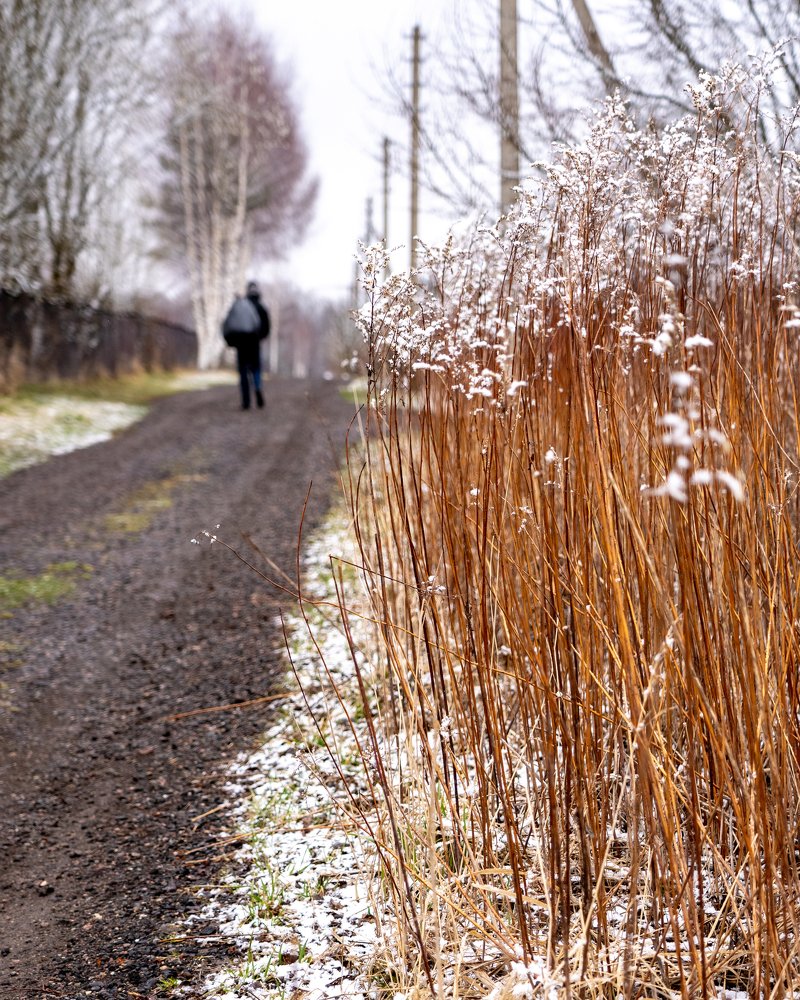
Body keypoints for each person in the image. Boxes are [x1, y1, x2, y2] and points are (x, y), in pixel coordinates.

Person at [222, 281, 271, 410]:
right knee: (256, 368)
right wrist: (260, 336)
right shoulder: (261, 307)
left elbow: (229, 323)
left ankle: (246, 401)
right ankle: (258, 388)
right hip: (254, 342)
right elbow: (266, 327)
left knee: (243, 370)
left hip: (241, 343)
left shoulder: (243, 306)